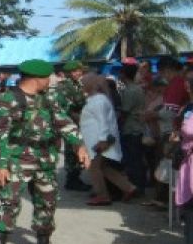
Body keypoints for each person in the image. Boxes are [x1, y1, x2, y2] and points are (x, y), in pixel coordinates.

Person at [0, 60, 90, 244]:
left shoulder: (49, 97)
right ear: (37, 79)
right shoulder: (9, 99)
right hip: (17, 160)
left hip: (45, 160)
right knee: (10, 202)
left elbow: (63, 121)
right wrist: (1, 164)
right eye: (47, 78)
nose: (50, 81)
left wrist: (79, 144)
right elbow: (0, 135)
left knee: (47, 202)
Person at [80, 74, 136, 206]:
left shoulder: (99, 100)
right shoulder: (95, 99)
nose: (82, 86)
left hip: (100, 141)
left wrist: (102, 140)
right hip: (97, 140)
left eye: (84, 83)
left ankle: (103, 195)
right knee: (103, 168)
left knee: (94, 168)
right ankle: (128, 187)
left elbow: (103, 122)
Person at [52, 61, 89, 191]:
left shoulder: (77, 84)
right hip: (69, 121)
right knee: (72, 149)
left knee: (76, 148)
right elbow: (69, 107)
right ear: (68, 73)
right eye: (75, 71)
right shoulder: (64, 86)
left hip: (77, 120)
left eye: (80, 70)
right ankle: (72, 179)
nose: (78, 73)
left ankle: (75, 177)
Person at [117, 63, 148, 192]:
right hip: (137, 127)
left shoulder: (130, 90)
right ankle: (139, 185)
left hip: (131, 129)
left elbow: (125, 111)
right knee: (137, 159)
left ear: (124, 74)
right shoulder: (137, 88)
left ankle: (136, 186)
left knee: (133, 160)